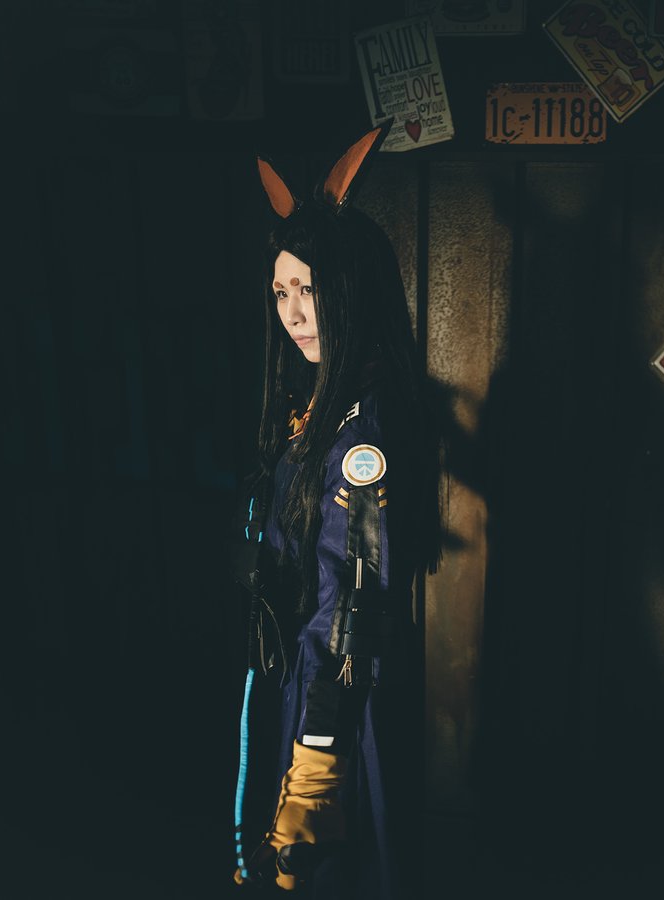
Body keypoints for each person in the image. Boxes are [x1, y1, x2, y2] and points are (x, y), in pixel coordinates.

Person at [232, 122, 442, 898]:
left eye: (310, 289)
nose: (292, 312)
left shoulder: (363, 428)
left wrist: (318, 749)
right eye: (281, 291)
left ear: (350, 288)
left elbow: (353, 600)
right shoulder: (323, 404)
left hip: (340, 686)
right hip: (308, 671)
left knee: (331, 861)